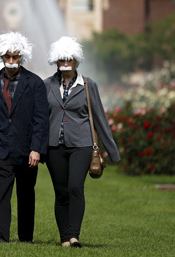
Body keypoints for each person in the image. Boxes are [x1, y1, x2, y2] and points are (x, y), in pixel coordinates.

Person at [44, 36, 120, 248]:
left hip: (82, 145)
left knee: (75, 187)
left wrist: (112, 152)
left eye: (70, 58)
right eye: (61, 59)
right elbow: (39, 119)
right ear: (56, 61)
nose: (66, 62)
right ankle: (64, 238)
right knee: (60, 192)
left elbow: (100, 119)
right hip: (53, 147)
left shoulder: (88, 85)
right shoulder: (46, 85)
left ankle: (74, 236)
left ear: (76, 60)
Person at [0, 31, 48, 244]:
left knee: (26, 195)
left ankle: (26, 238)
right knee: (2, 195)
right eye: (8, 57)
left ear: (22, 57)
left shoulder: (35, 83)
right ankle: (0, 235)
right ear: (1, 56)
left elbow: (41, 120)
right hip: (0, 147)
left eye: (15, 57)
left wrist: (36, 148)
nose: (11, 61)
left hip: (27, 149)